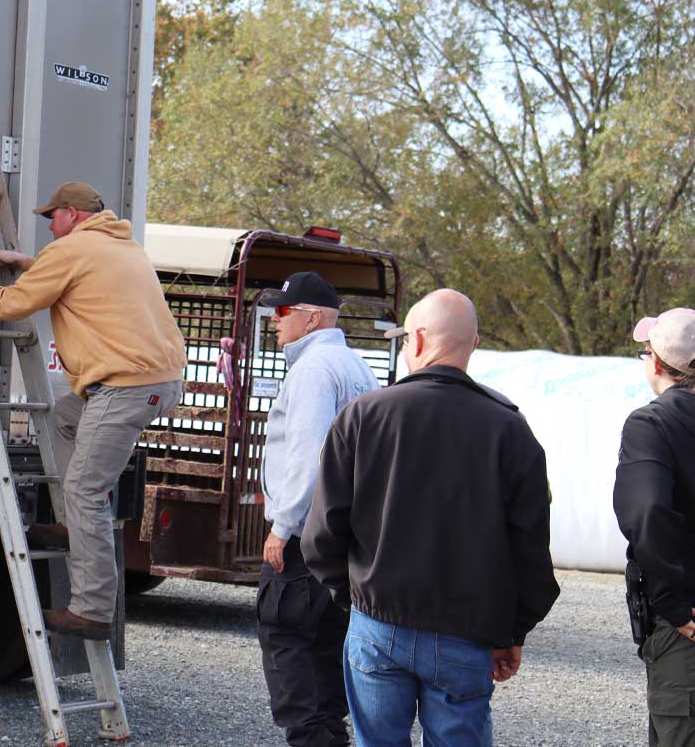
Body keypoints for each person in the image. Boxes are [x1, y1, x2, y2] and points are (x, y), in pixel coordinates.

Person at [302, 289, 559, 746]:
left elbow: (322, 534)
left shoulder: (363, 416)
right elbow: (531, 550)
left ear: (418, 339)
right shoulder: (511, 430)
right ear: (473, 343)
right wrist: (511, 630)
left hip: (376, 623)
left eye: (405, 339)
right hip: (465, 634)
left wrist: (356, 599)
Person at [0, 181, 186, 641]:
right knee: (63, 418)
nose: (50, 226)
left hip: (124, 387)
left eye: (53, 216)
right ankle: (74, 526)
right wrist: (31, 264)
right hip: (157, 382)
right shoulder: (121, 246)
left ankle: (91, 611)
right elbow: (83, 277)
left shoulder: (72, 249)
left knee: (85, 490)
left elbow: (16, 303)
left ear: (72, 213)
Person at [256, 272, 379, 747]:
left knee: (285, 634)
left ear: (311, 319)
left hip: (306, 530)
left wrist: (282, 526)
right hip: (346, 532)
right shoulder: (357, 365)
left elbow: (310, 456)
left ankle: (312, 739)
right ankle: (331, 734)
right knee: (328, 639)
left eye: (283, 311)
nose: (275, 320)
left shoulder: (311, 371)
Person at [614, 307, 695, 747]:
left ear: (658, 363)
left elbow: (646, 512)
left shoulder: (651, 424)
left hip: (686, 628)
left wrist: (672, 603)